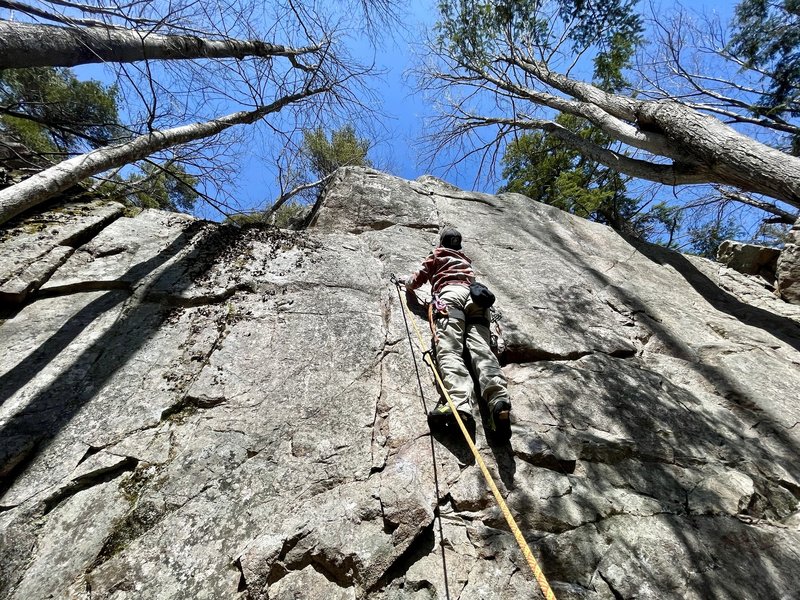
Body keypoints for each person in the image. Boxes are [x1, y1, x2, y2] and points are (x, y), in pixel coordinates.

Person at [403, 227, 512, 439]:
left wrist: (406, 284)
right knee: (482, 351)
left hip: (450, 297)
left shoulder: (438, 254)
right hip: (476, 300)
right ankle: (498, 400)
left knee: (450, 350)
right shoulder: (465, 260)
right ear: (458, 244)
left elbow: (419, 278)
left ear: (442, 242)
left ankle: (459, 406)